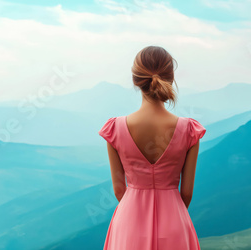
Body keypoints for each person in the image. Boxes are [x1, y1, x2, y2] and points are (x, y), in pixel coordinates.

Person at [98, 45, 206, 250]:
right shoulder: (189, 129)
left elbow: (119, 189)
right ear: (171, 78)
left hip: (129, 224)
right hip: (175, 222)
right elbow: (187, 192)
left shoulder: (116, 128)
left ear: (135, 80)